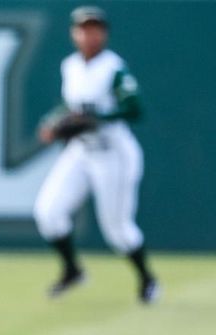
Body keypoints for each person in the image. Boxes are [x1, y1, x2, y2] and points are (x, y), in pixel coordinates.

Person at [33, 5, 159, 303]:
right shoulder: (71, 66)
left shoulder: (113, 67)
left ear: (104, 33)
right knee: (48, 212)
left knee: (117, 230)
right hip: (81, 151)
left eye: (95, 29)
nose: (89, 34)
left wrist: (100, 117)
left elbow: (134, 107)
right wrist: (52, 122)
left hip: (113, 153)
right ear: (74, 34)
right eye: (83, 29)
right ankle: (73, 270)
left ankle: (148, 280)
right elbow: (71, 107)